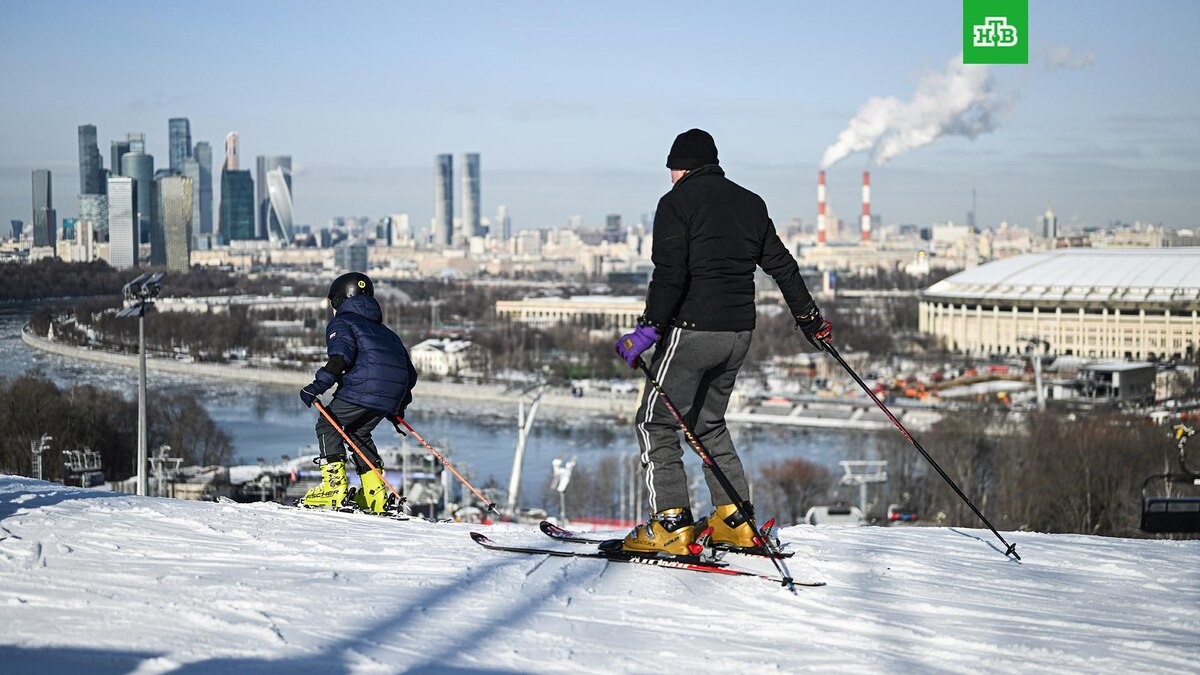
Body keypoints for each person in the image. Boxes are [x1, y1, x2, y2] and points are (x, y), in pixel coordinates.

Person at [615, 129, 831, 555]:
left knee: (655, 423)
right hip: (738, 335)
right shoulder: (750, 203)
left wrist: (648, 330)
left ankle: (671, 523)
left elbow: (670, 274)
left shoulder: (676, 203)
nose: (670, 178)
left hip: (692, 332)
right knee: (707, 424)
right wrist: (809, 319)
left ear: (680, 167)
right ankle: (735, 520)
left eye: (671, 170)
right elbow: (782, 267)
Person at [299, 272, 418, 513]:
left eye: (333, 302)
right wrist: (398, 408)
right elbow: (410, 374)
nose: (333, 308)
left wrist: (315, 387)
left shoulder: (343, 323)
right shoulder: (387, 332)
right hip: (390, 395)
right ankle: (374, 494)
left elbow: (339, 359)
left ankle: (333, 488)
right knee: (358, 433)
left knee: (328, 424)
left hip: (362, 389)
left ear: (341, 301)